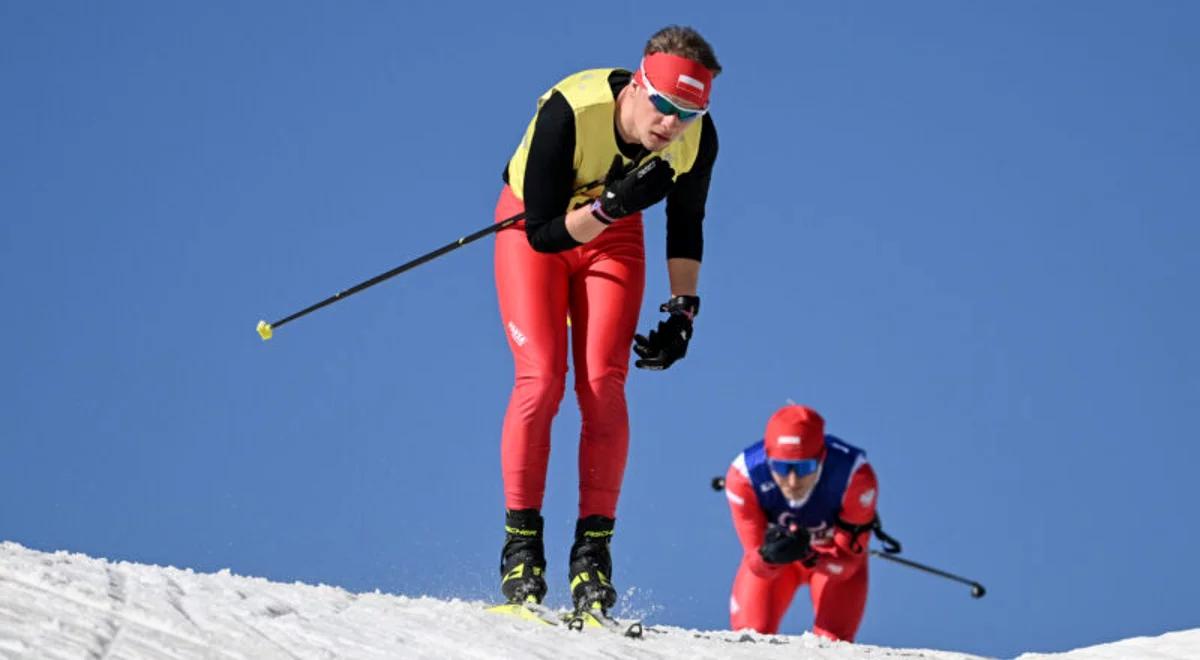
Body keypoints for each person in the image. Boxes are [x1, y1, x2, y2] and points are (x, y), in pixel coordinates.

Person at [493, 25, 721, 614]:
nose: (671, 125)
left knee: (602, 385)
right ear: (638, 84)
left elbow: (686, 222)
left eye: (689, 114)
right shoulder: (572, 109)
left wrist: (682, 309)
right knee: (542, 379)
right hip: (533, 231)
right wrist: (610, 205)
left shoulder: (696, 140)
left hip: (612, 240)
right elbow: (542, 235)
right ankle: (522, 545)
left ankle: (592, 553)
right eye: (665, 105)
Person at [723, 404, 880, 642]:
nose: (793, 481)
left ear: (822, 458)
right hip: (778, 568)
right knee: (751, 636)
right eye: (782, 468)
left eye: (805, 467)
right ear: (767, 459)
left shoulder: (854, 476)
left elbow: (847, 566)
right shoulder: (743, 477)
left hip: (831, 560)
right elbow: (755, 562)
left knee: (833, 643)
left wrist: (810, 556)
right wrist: (770, 556)